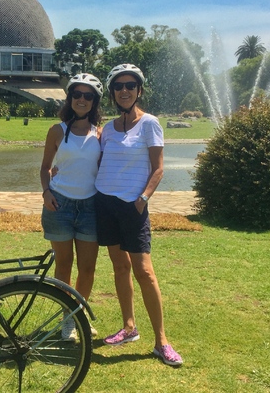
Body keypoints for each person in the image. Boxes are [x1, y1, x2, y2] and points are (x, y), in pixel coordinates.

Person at [95, 64, 183, 367]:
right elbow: (98, 160)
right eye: (118, 86)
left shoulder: (150, 124)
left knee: (144, 271)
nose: (124, 91)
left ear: (139, 90)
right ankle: (129, 327)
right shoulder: (107, 128)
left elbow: (158, 168)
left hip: (133, 206)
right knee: (120, 267)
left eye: (130, 86)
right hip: (105, 203)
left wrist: (142, 199)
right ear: (112, 93)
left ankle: (161, 341)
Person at [40, 73, 103, 340]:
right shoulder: (57, 131)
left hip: (90, 207)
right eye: (77, 94)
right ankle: (66, 320)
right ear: (70, 98)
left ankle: (76, 315)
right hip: (60, 205)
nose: (82, 99)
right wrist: (45, 192)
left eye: (88, 96)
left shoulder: (100, 134)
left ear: (94, 101)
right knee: (64, 266)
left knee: (87, 268)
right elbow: (45, 168)